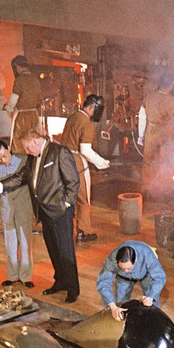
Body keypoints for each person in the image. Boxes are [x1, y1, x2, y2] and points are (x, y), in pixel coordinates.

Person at [0, 129, 80, 303]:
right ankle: (60, 281)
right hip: (44, 211)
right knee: (53, 249)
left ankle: (72, 289)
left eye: (27, 148)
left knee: (65, 251)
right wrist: (0, 186)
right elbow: (21, 177)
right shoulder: (32, 158)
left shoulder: (59, 152)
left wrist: (66, 204)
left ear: (35, 142)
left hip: (60, 211)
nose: (26, 152)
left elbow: (73, 181)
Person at [60, 93, 110, 243]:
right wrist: (101, 162)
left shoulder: (73, 116)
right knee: (83, 198)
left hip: (63, 160)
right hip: (77, 162)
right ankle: (83, 231)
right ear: (92, 107)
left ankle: (65, 229)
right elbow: (85, 150)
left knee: (67, 195)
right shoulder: (87, 124)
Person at [0, 139, 34, 288]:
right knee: (10, 244)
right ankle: (12, 275)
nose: (3, 161)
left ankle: (25, 276)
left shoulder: (23, 160)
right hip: (6, 208)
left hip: (23, 206)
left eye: (4, 156)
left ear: (9, 148)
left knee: (25, 242)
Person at [137, 70, 174, 193]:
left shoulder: (148, 98)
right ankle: (163, 190)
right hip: (167, 134)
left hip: (151, 132)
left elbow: (142, 117)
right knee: (165, 162)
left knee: (149, 161)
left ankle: (148, 188)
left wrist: (140, 136)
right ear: (170, 85)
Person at [96, 242, 167, 322]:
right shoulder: (112, 259)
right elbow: (103, 282)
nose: (126, 271)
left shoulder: (147, 255)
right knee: (121, 304)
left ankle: (154, 321)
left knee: (151, 302)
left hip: (146, 275)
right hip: (123, 278)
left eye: (129, 268)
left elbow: (159, 277)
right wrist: (113, 307)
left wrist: (151, 296)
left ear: (135, 259)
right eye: (122, 268)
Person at [3, 56, 42, 155]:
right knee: (33, 141)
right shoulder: (35, 79)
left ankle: (19, 163)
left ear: (17, 66)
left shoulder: (19, 80)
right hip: (33, 115)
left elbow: (13, 99)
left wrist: (8, 109)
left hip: (22, 118)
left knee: (19, 143)